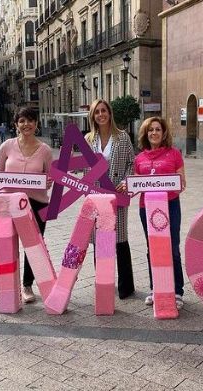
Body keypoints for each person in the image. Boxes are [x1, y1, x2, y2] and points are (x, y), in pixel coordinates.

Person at [0, 108, 54, 307]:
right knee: (0, 245)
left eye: (31, 120)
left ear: (36, 123)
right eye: (22, 121)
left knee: (34, 247)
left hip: (37, 203)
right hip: (8, 203)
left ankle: (27, 286)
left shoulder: (45, 150)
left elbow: (50, 175)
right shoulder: (7, 146)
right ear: (16, 124)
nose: (26, 125)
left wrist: (48, 181)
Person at [85, 99, 135, 299]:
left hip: (117, 194)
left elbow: (132, 163)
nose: (100, 115)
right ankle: (104, 281)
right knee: (100, 239)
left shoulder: (122, 137)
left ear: (109, 113)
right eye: (96, 112)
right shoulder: (89, 139)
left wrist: (126, 181)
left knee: (120, 239)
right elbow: (87, 168)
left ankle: (126, 286)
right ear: (93, 116)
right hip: (97, 196)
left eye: (103, 111)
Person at [134, 117, 186, 309]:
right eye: (150, 130)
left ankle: (177, 291)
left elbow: (182, 183)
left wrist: (165, 185)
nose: (154, 133)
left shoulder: (174, 154)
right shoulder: (139, 159)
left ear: (163, 133)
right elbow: (136, 184)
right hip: (145, 207)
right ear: (146, 134)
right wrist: (128, 185)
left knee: (172, 248)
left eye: (158, 129)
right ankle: (155, 288)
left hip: (170, 206)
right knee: (153, 249)